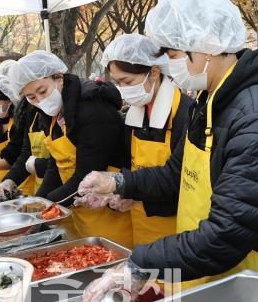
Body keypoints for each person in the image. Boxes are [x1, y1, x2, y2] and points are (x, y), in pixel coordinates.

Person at [80, 0, 258, 302]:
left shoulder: (257, 119)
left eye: (173, 56)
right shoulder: (210, 102)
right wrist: (118, 183)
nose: (171, 66)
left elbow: (226, 234)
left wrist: (141, 262)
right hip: (211, 280)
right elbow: (178, 175)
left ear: (207, 45)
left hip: (256, 289)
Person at [6, 50, 133, 248]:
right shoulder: (51, 114)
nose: (40, 101)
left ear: (58, 77)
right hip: (79, 204)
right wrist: (38, 201)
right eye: (31, 97)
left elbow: (86, 175)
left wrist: (46, 208)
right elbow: (56, 165)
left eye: (42, 91)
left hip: (108, 208)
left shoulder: (92, 109)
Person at [76, 34, 191, 247]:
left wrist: (129, 189)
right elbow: (127, 164)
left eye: (127, 81)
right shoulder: (134, 115)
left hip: (174, 231)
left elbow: (180, 181)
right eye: (118, 82)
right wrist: (119, 194)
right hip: (140, 228)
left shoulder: (185, 113)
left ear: (154, 72)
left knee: (171, 279)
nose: (123, 89)